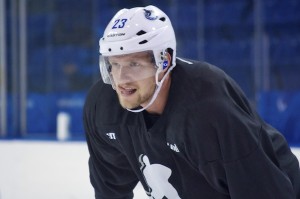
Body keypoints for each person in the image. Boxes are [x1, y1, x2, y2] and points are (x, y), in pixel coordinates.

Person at [83, 5, 300, 199]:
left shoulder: (209, 108)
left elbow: (261, 188)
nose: (121, 79)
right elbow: (110, 189)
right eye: (114, 64)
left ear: (164, 61)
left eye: (134, 64)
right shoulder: (103, 106)